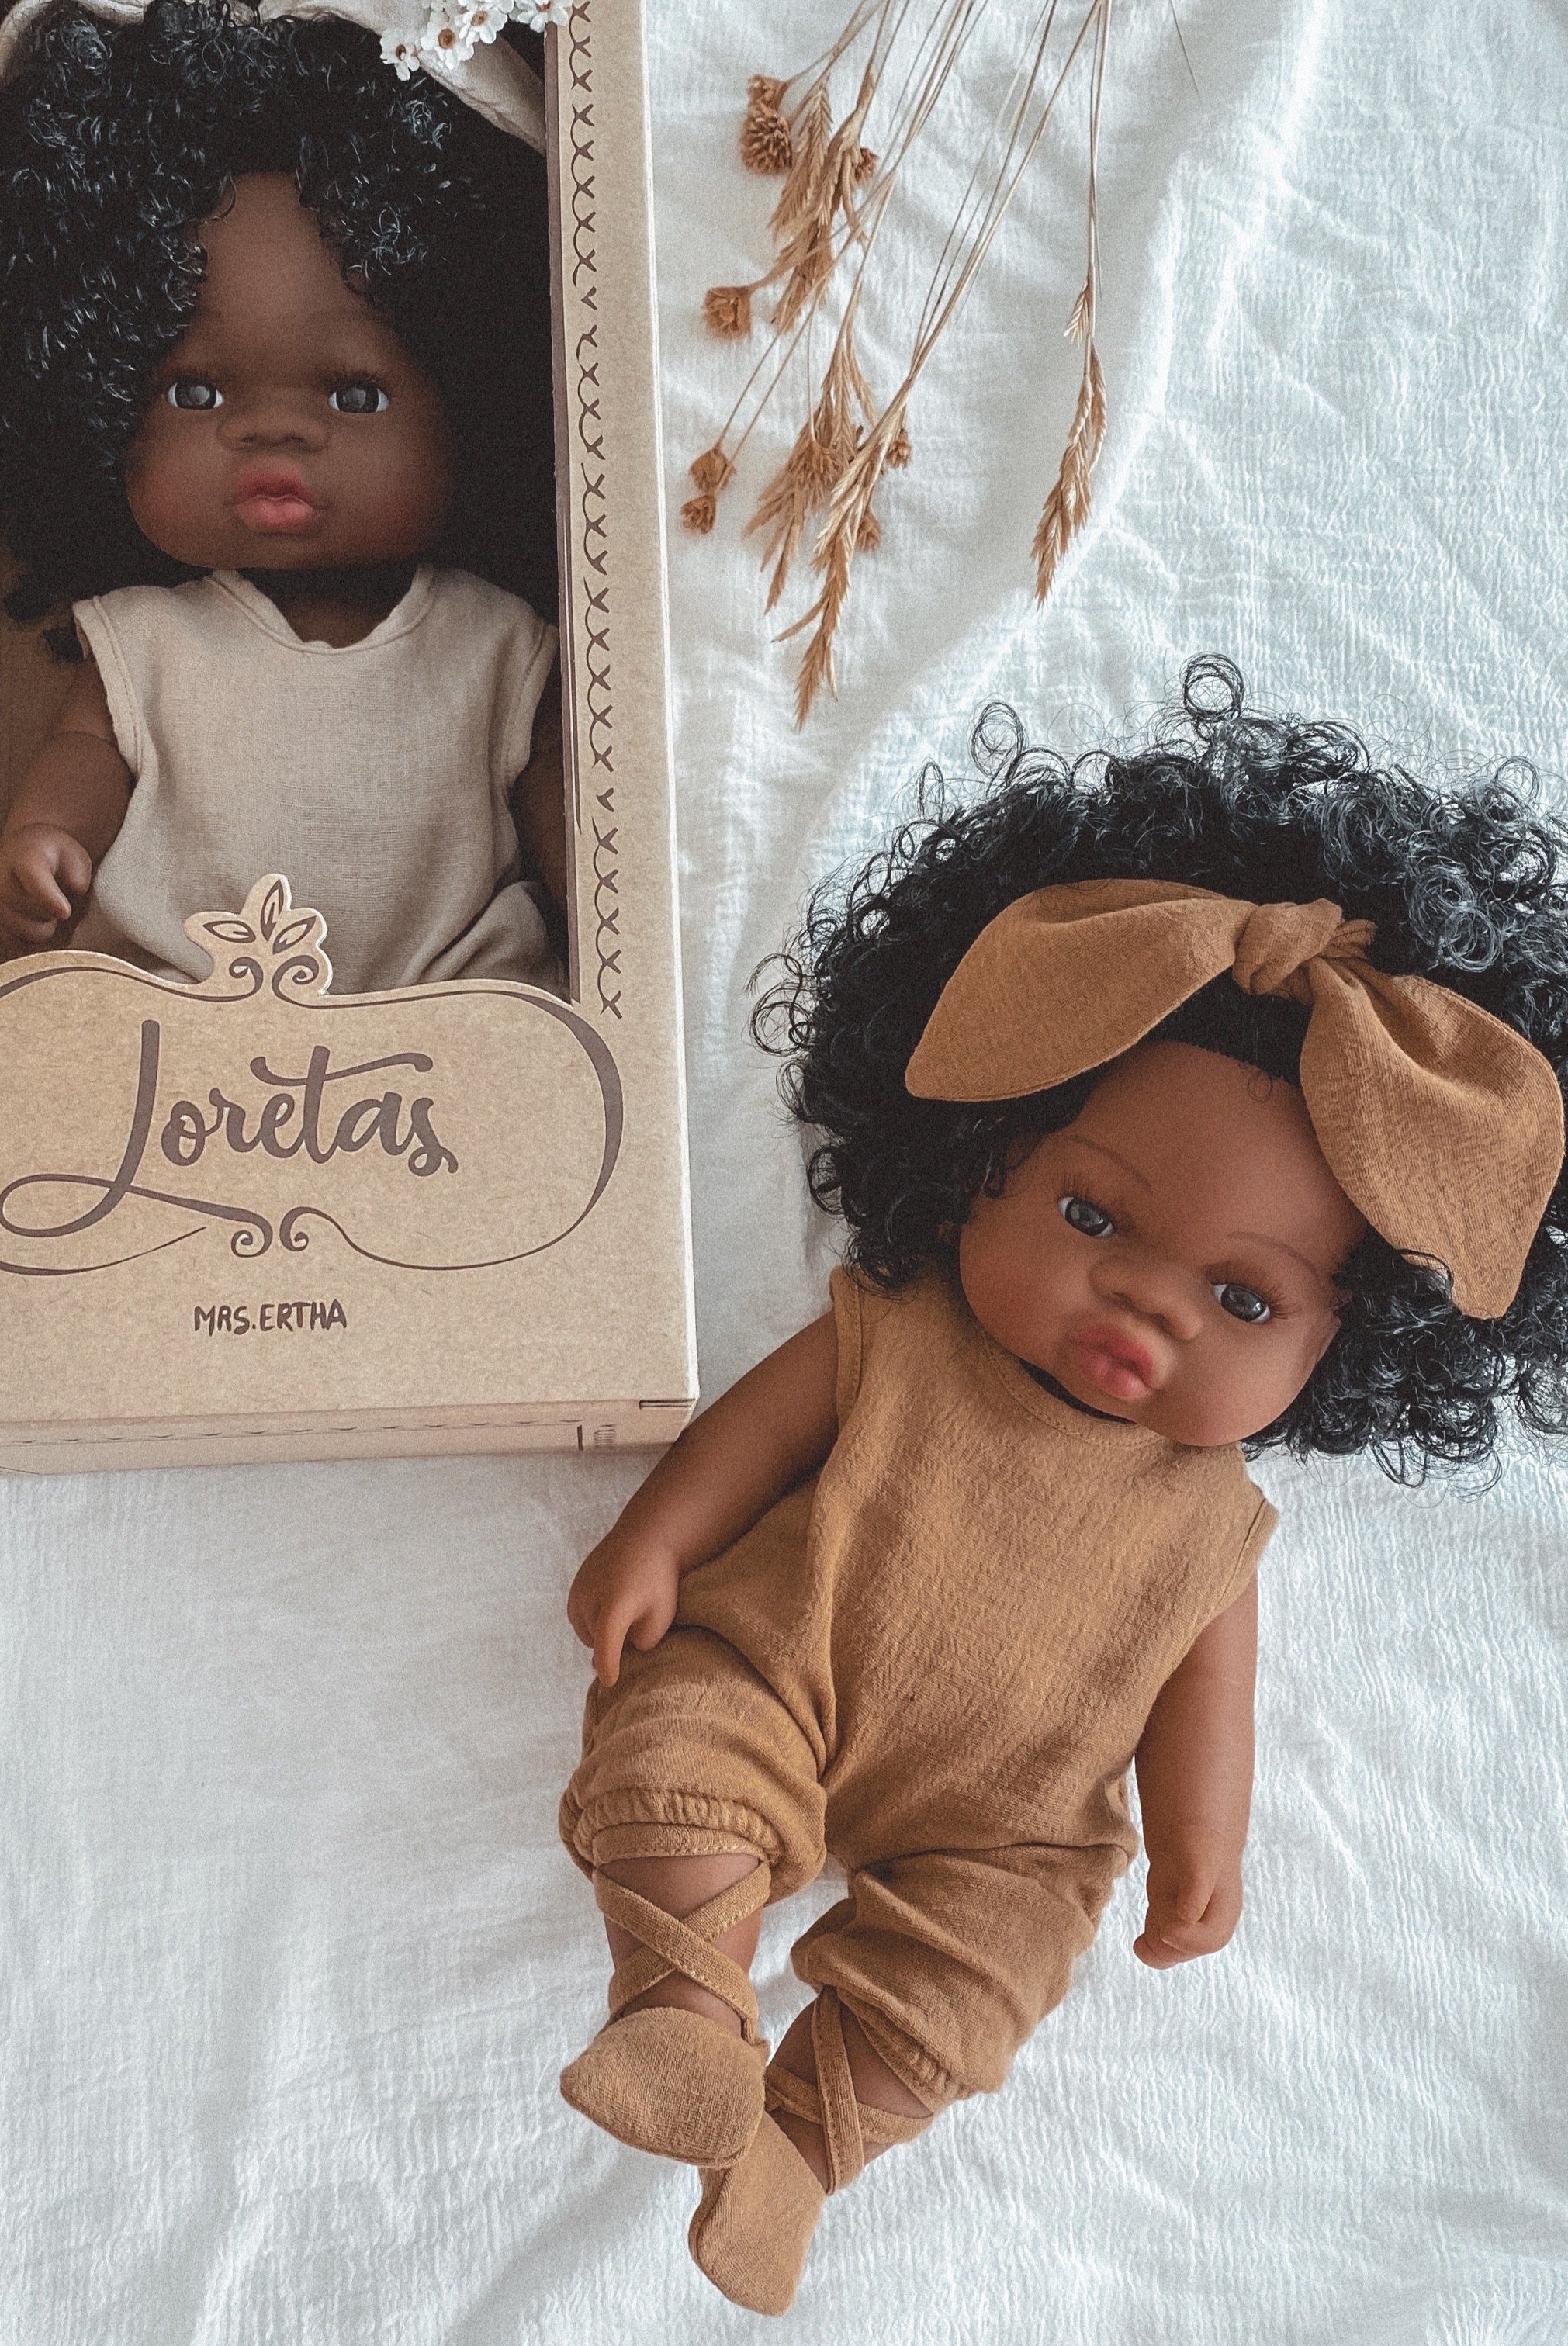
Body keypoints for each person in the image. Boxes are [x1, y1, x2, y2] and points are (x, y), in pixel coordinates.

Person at [558, 659, 1568, 2313]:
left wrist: (1199, 1842)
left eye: (1242, 1299)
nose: (1147, 1308)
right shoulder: (896, 1333)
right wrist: (652, 1540)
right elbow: (750, 1436)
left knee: (987, 1977)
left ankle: (797, 2147)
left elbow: (1205, 1699)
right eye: (1093, 1218)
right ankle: (681, 2003)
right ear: (984, 1162)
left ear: (1344, 1343)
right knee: (678, 1753)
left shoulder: (1215, 1521)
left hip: (1010, 1828)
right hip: (776, 1670)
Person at [0, 0, 565, 992]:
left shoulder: (498, 643)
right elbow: (84, 752)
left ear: (472, 402)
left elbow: (562, 811)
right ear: (100, 402)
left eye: (355, 395)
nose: (272, 430)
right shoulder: (148, 638)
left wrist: (595, 876)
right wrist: (46, 835)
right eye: (197, 393)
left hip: (447, 1025)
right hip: (181, 1021)